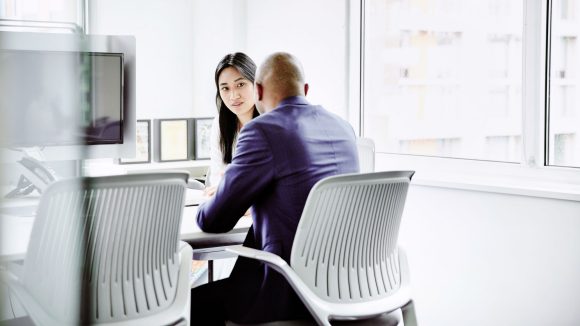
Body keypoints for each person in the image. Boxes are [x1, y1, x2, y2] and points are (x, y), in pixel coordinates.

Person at [190, 52, 360, 325]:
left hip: (288, 291)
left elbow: (213, 220)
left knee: (189, 305)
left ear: (257, 90)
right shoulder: (344, 128)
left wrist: (205, 200)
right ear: (305, 90)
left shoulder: (262, 131)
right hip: (348, 288)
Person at [206, 52, 260, 191]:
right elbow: (217, 176)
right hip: (232, 204)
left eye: (240, 84)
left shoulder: (271, 124)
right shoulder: (220, 124)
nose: (233, 96)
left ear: (256, 83)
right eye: (225, 88)